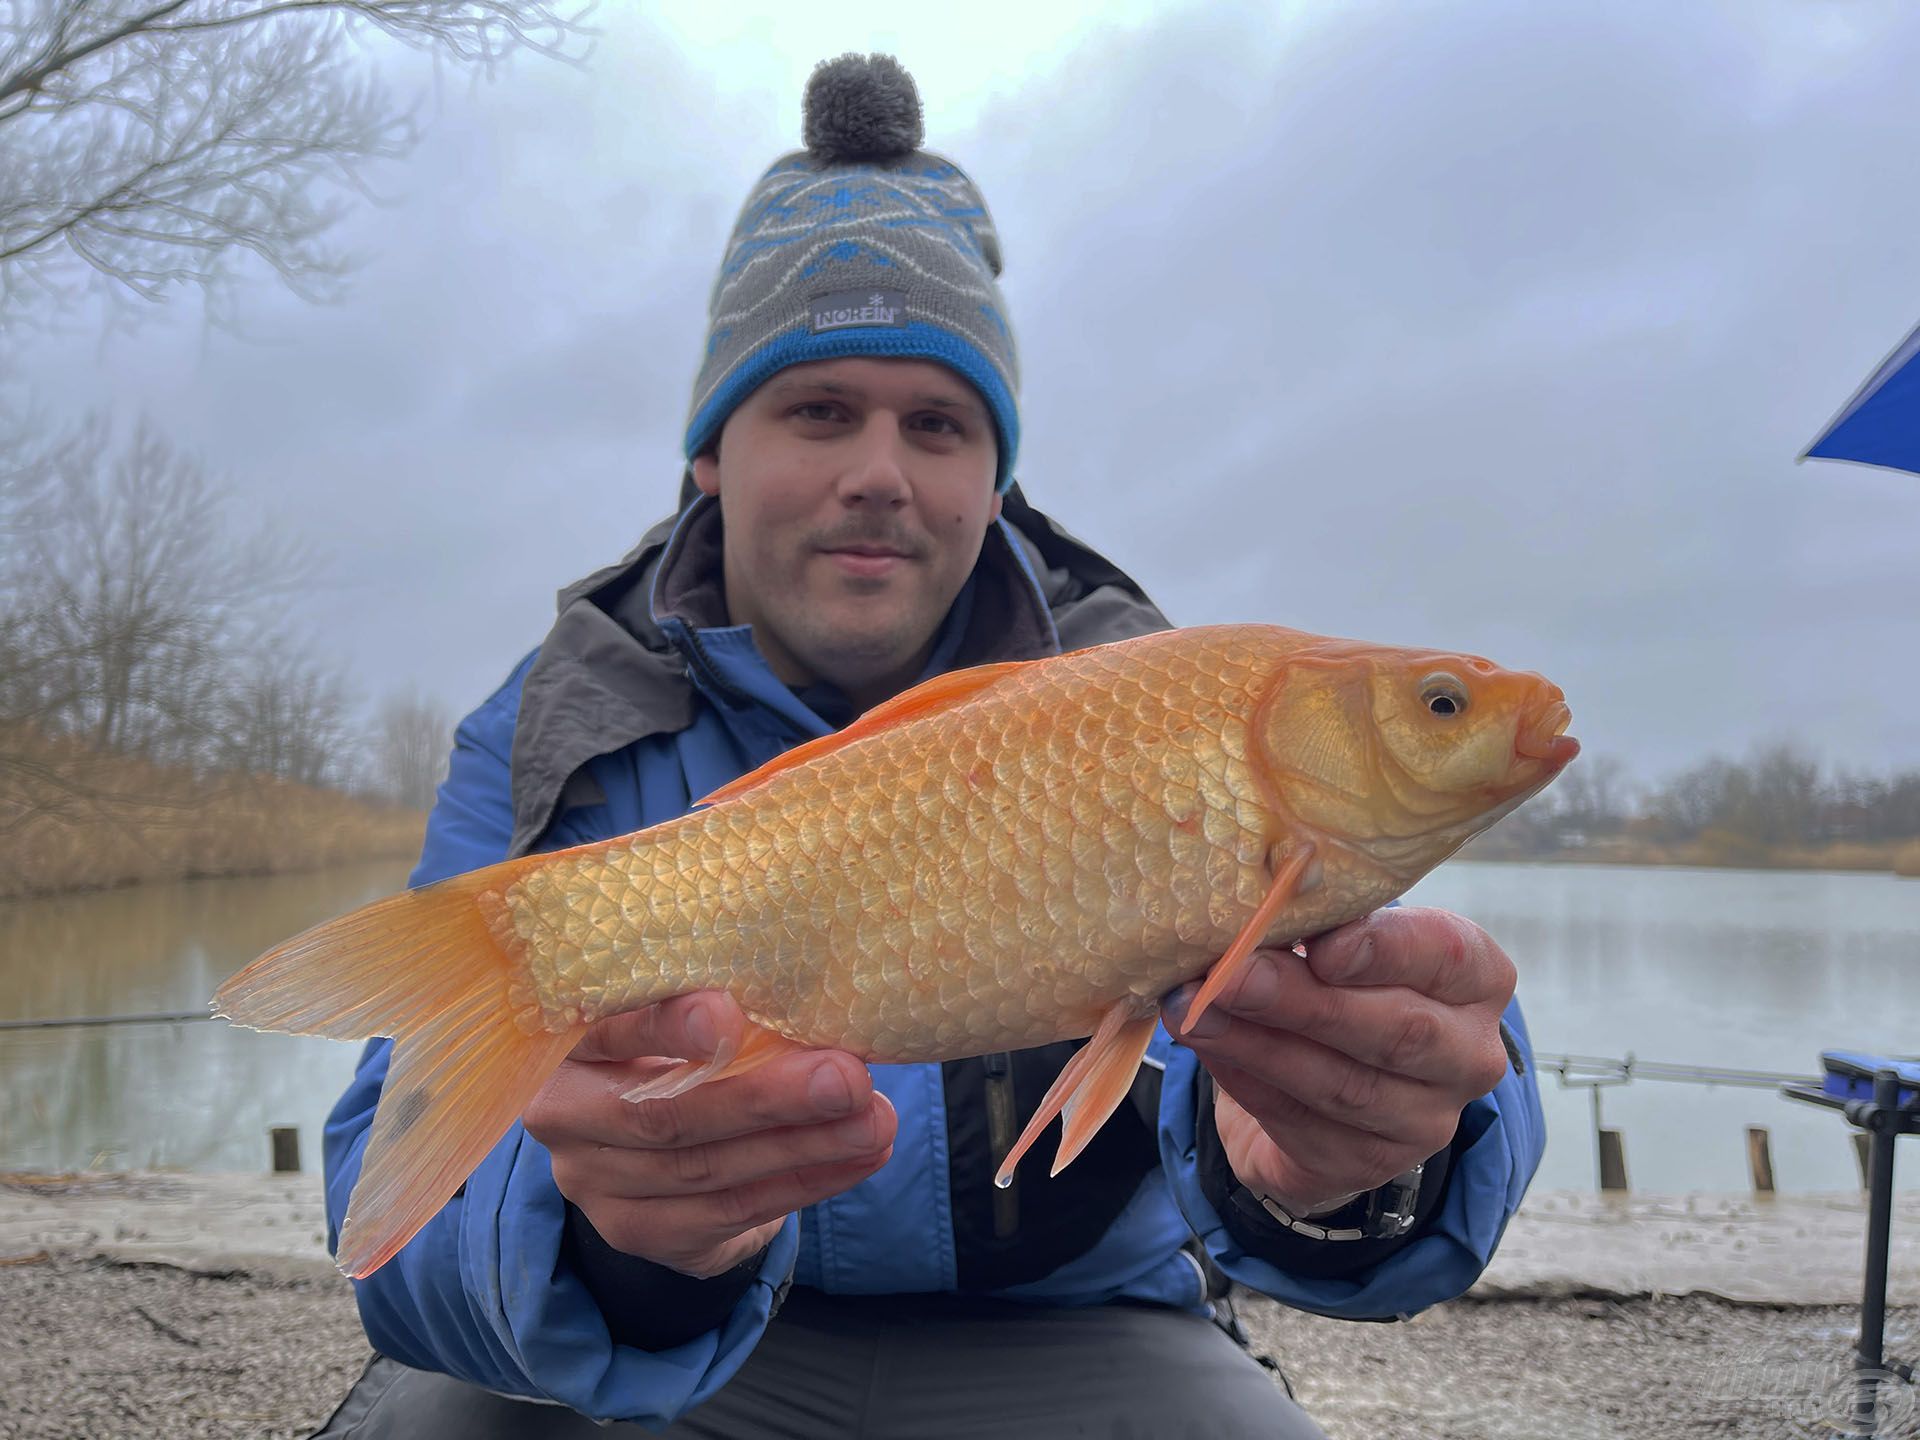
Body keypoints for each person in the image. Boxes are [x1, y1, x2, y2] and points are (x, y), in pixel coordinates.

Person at [314, 53, 1545, 1440]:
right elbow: (393, 1219)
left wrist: (1348, 1172)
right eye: (819, 409)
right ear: (711, 453)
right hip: (669, 1347)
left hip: (1079, 1327)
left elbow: (1335, 1078)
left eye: (939, 424)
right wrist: (623, 1246)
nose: (881, 472)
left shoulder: (1155, 696)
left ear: (996, 475)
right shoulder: (558, 723)